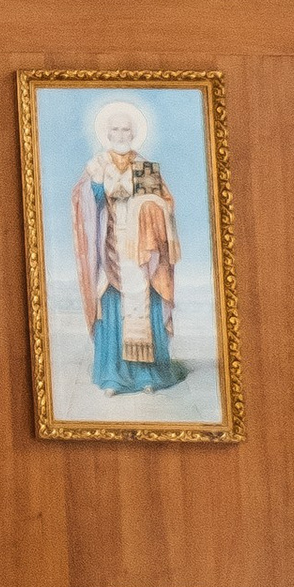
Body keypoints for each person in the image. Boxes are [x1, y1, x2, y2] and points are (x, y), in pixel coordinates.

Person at [72, 103, 185, 398]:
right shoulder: (97, 165)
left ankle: (148, 375)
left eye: (126, 129)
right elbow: (85, 204)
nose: (121, 134)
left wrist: (150, 209)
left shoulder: (143, 166)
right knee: (111, 305)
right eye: (115, 129)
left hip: (141, 253)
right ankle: (112, 375)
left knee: (146, 306)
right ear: (107, 133)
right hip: (109, 249)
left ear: (133, 133)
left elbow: (164, 204)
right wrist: (96, 185)